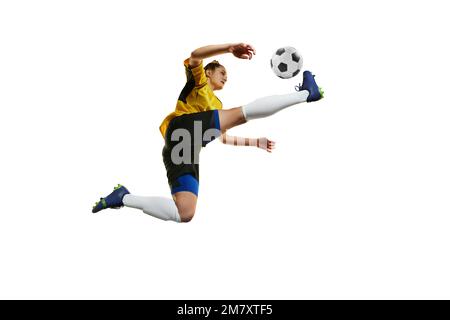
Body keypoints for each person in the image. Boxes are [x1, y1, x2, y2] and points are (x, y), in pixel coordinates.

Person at [92, 42, 323, 222]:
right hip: (182, 128)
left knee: (184, 212)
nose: (225, 76)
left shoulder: (217, 106)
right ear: (209, 72)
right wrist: (229, 48)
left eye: (227, 75)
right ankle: (305, 94)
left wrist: (254, 142)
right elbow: (195, 55)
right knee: (241, 114)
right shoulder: (199, 83)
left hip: (184, 145)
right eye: (222, 71)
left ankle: (123, 197)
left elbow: (222, 137)